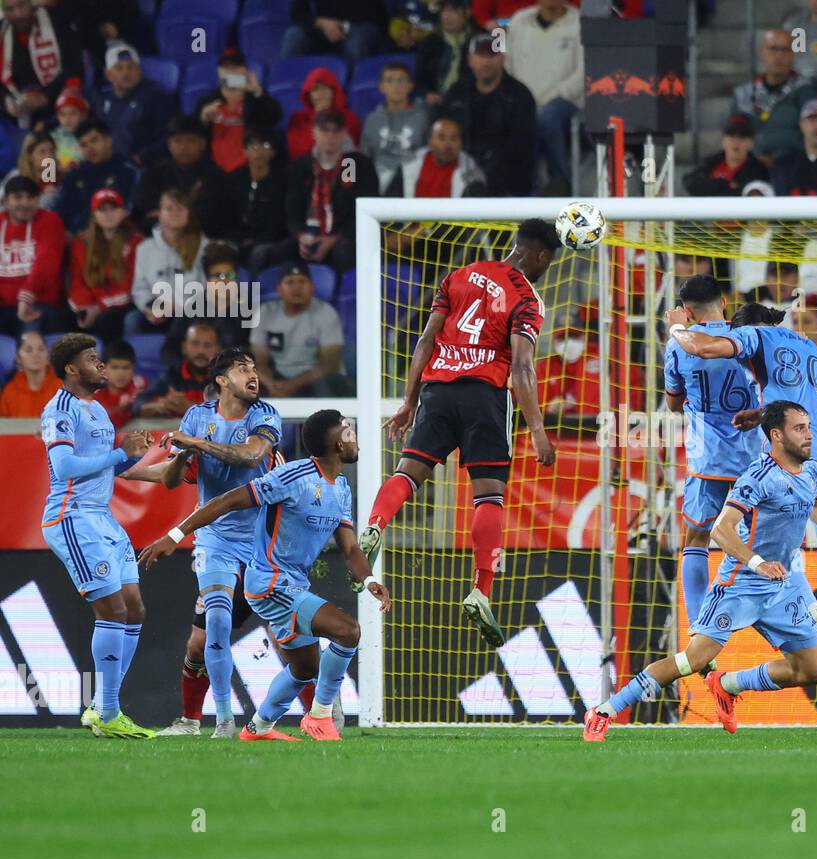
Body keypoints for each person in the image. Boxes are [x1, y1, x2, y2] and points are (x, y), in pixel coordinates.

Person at [583, 401, 817, 741]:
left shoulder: (809, 471)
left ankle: (728, 685)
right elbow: (720, 530)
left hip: (781, 586)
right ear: (776, 435)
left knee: (812, 669)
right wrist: (758, 563)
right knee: (691, 661)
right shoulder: (758, 478)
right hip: (741, 585)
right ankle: (604, 710)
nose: (809, 435)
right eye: (799, 429)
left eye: (808, 427)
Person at [360, 220, 561, 646]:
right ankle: (480, 591)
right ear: (540, 256)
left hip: (436, 391)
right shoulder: (527, 297)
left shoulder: (457, 276)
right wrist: (538, 428)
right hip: (484, 396)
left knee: (407, 472)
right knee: (489, 495)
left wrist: (409, 401)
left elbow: (426, 340)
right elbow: (523, 367)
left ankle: (376, 522)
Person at [139, 408, 392, 743]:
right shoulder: (292, 478)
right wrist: (174, 536)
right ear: (334, 443)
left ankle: (258, 727)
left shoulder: (341, 489)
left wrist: (370, 580)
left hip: (293, 584)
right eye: (348, 432)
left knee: (304, 668)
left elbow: (350, 549)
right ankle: (319, 718)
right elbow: (227, 500)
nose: (353, 437)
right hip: (269, 582)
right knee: (348, 631)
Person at [668, 302, 817, 633]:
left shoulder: (754, 335)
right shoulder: (807, 344)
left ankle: (810, 612)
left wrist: (676, 327)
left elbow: (699, 347)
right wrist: (760, 414)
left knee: (771, 534)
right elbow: (800, 400)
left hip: (797, 449)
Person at [136, 348, 284, 739]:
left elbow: (252, 456)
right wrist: (180, 457)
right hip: (216, 538)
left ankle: (324, 705)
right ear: (221, 380)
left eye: (254, 367)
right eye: (242, 368)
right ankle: (221, 722)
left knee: (288, 631)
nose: (253, 374)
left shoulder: (264, 415)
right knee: (214, 626)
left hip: (264, 542)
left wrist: (196, 444)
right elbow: (171, 479)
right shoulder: (197, 417)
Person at [40, 333, 153, 738]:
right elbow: (66, 467)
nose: (101, 365)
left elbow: (104, 467)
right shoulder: (60, 410)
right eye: (92, 358)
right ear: (72, 369)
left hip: (102, 518)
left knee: (134, 609)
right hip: (72, 518)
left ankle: (101, 708)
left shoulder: (98, 410)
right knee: (113, 611)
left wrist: (136, 458)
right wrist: (122, 453)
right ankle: (107, 714)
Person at [662, 276, 762, 630]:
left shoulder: (679, 346)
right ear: (724, 302)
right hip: (755, 460)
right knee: (762, 540)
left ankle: (697, 626)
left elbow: (674, 404)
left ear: (687, 312)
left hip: (707, 461)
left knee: (697, 538)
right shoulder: (749, 339)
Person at [436, 34, 537, 196]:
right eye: (481, 55)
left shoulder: (519, 96)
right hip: (459, 179)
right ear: (470, 60)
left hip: (506, 187)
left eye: (492, 55)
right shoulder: (457, 93)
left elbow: (521, 151)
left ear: (502, 58)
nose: (486, 62)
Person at [278, 110, 378, 274]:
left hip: (343, 237)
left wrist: (334, 238)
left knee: (343, 251)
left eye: (336, 131)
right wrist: (301, 236)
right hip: (308, 234)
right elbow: (292, 211)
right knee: (276, 253)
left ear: (344, 133)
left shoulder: (354, 164)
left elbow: (363, 209)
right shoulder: (302, 165)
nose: (330, 136)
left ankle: (346, 297)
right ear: (314, 132)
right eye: (325, 130)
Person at [504, 0, 583, 193]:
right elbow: (507, 63)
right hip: (523, 102)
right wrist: (520, 98)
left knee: (547, 118)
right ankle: (516, 193)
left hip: (566, 104)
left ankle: (561, 186)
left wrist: (549, 98)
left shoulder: (580, 22)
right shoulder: (518, 21)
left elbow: (583, 73)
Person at [250, 262, 349, 398]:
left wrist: (293, 385)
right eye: (290, 282)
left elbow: (329, 363)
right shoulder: (265, 312)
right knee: (248, 384)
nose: (296, 288)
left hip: (315, 377)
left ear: (312, 287)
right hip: (278, 378)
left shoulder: (326, 312)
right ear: (279, 289)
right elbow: (259, 361)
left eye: (302, 281)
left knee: (329, 383)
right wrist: (271, 385)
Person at [130, 188, 209, 336]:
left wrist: (177, 306)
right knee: (132, 320)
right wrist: (150, 307)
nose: (175, 213)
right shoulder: (144, 248)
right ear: (159, 214)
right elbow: (139, 289)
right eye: (169, 208)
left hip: (190, 312)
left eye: (180, 208)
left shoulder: (204, 247)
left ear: (189, 213)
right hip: (157, 311)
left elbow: (207, 289)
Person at [731, 29, 816, 164]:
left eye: (785, 50)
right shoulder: (744, 94)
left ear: (793, 55)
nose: (779, 56)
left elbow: (815, 135)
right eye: (773, 49)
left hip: (795, 165)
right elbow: (733, 136)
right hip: (751, 166)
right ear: (762, 53)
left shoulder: (806, 91)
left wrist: (777, 161)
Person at [195, 49, 284, 174]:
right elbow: (195, 137)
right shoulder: (207, 101)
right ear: (219, 71)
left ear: (245, 70)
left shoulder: (256, 98)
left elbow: (275, 116)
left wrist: (257, 90)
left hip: (248, 169)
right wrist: (203, 119)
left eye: (235, 66)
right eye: (226, 67)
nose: (230, 71)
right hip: (215, 170)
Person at [67, 187, 139, 341]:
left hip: (123, 305)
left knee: (108, 320)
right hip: (92, 305)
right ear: (94, 214)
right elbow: (76, 284)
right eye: (102, 209)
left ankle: (111, 362)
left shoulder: (136, 242)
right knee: (66, 320)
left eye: (113, 209)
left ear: (122, 212)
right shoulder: (81, 243)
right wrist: (85, 307)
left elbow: (132, 286)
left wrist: (99, 308)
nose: (108, 214)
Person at [132, 114, 223, 234]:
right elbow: (144, 208)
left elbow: (215, 215)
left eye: (191, 140)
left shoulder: (215, 175)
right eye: (177, 141)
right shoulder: (153, 174)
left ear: (202, 144)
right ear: (169, 145)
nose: (184, 147)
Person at [0, 175, 66, 337]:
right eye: (18, 197)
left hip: (39, 302)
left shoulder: (50, 221)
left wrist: (26, 297)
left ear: (38, 200)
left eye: (30, 198)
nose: (24, 203)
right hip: (3, 303)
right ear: (6, 201)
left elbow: (46, 263)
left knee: (30, 338)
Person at [0, 0, 83, 128]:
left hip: (62, 108)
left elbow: (75, 67)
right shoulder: (2, 33)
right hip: (18, 118)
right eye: (10, 9)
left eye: (21, 5)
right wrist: (7, 104)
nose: (18, 14)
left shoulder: (55, 20)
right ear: (4, 12)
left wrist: (45, 96)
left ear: (31, 3)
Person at [217, 128, 289, 271]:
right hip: (238, 238)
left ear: (273, 152)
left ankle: (254, 290)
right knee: (220, 250)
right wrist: (238, 239)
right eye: (253, 146)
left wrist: (255, 241)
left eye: (265, 146)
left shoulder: (282, 182)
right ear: (245, 152)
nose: (259, 151)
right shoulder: (234, 180)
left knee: (258, 253)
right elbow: (226, 216)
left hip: (269, 239)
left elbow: (279, 220)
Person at [94, 41, 173, 166]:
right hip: (109, 165)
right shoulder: (102, 100)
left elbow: (168, 136)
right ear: (109, 75)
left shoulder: (155, 97)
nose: (126, 73)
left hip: (144, 166)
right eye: (119, 68)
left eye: (131, 67)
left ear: (139, 71)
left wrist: (142, 157)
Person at [54, 118, 139, 234]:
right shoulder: (75, 174)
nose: (89, 148)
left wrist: (80, 234)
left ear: (108, 141)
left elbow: (122, 211)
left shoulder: (127, 172)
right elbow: (60, 208)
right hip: (69, 238)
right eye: (83, 145)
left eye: (94, 141)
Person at [362, 61, 432, 196]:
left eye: (401, 80)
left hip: (412, 179)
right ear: (381, 87)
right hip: (379, 179)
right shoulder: (372, 119)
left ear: (410, 86)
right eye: (390, 81)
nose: (396, 86)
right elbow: (365, 156)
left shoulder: (423, 117)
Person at [135, 320, 218, 418]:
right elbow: (138, 404)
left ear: (218, 349)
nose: (200, 351)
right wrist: (160, 406)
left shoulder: (225, 378)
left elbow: (234, 415)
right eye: (195, 344)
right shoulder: (172, 375)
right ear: (184, 348)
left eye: (207, 345)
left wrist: (190, 408)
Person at [286, 67, 362, 162]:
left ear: (334, 92)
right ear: (308, 94)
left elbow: (351, 152)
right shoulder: (298, 120)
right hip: (308, 171)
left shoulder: (350, 118)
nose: (321, 94)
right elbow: (296, 154)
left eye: (325, 88)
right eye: (315, 89)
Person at [398, 116, 487, 198]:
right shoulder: (408, 166)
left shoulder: (473, 177)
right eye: (441, 138)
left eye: (453, 138)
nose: (448, 145)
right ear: (430, 141)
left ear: (461, 144)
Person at [683, 114, 769, 197]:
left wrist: (710, 186)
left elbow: (743, 194)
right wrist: (723, 183)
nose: (736, 141)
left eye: (742, 136)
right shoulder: (711, 162)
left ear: (751, 143)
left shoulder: (757, 169)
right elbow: (690, 182)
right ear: (724, 141)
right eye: (731, 135)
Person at [414, 0, 478, 109]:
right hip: (435, 102)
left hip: (468, 102)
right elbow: (419, 78)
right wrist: (427, 94)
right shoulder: (430, 42)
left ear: (467, 13)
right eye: (444, 11)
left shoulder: (476, 41)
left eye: (453, 11)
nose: (447, 16)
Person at [281, 0, 386, 63]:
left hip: (361, 26)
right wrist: (322, 23)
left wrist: (344, 26)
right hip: (325, 26)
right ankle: (286, 92)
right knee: (294, 35)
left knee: (356, 43)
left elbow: (378, 15)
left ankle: (353, 95)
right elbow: (297, 14)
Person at [0, 329, 59, 415]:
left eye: (41, 349)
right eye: (28, 350)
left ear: (48, 356)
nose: (36, 354)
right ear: (18, 358)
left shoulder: (63, 389)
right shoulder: (10, 392)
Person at [4, 130, 61, 209]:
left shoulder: (61, 179)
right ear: (29, 156)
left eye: (51, 151)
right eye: (42, 152)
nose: (49, 156)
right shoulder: (15, 176)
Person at [98, 339, 145, 429]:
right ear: (103, 368)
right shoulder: (95, 392)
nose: (120, 373)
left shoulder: (141, 387)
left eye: (126, 368)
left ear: (133, 368)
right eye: (115, 368)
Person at [51, 77, 88, 170]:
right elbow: (47, 171)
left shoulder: (89, 137)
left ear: (83, 115)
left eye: (72, 113)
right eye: (62, 115)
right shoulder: (53, 137)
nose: (67, 119)